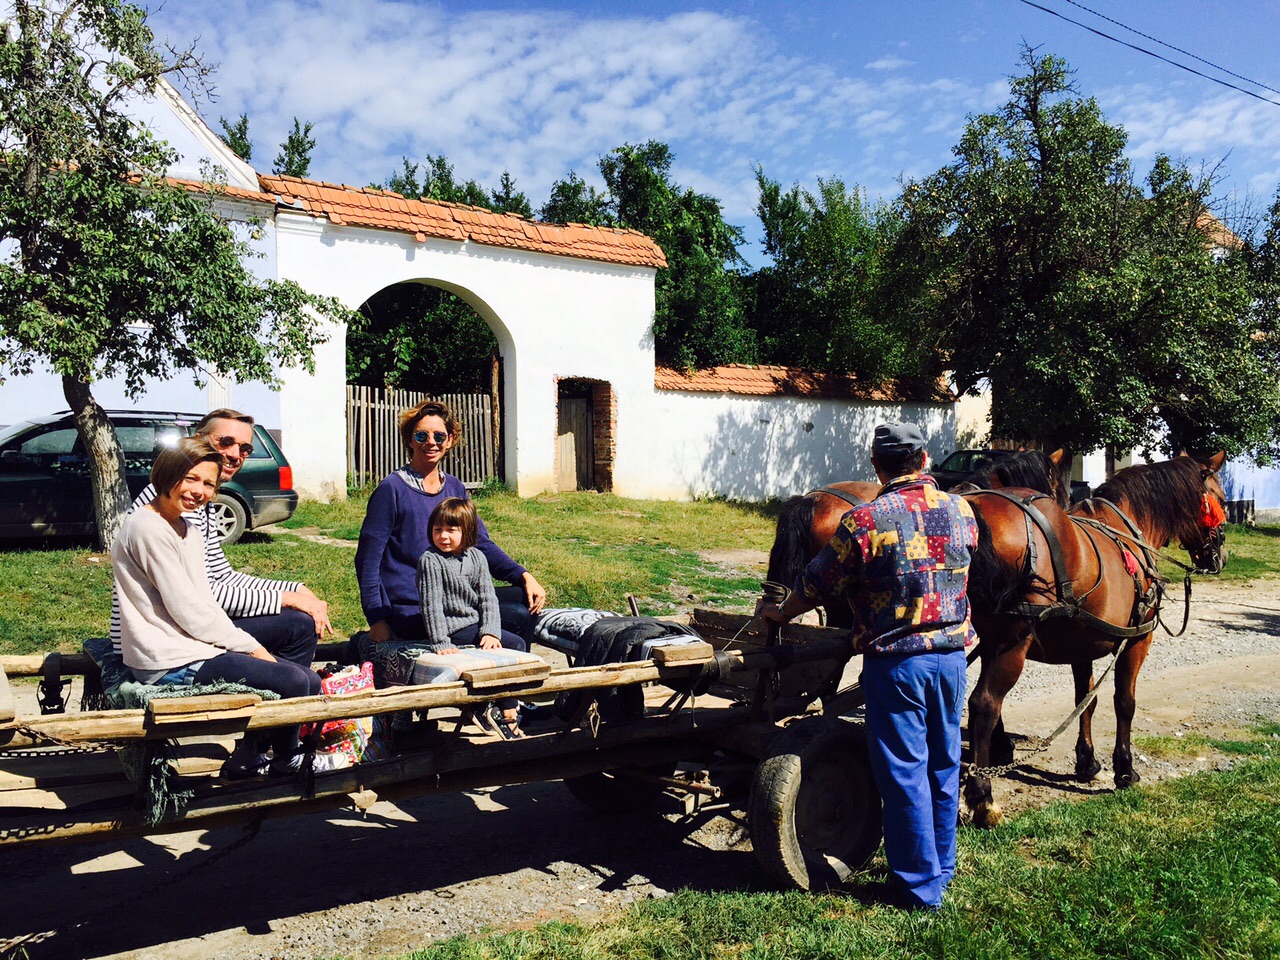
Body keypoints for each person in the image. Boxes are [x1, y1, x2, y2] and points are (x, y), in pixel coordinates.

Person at [758, 421, 979, 911]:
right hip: (950, 660)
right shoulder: (962, 511)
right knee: (943, 764)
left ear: (876, 467)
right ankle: (941, 867)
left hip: (897, 664)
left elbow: (814, 586)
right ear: (924, 460)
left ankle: (920, 890)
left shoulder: (864, 522)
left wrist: (778, 611)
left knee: (903, 772)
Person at [111, 438, 347, 778]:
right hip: (166, 658)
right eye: (190, 478)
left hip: (192, 645)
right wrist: (252, 648)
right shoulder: (147, 527)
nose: (199, 491)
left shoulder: (185, 527)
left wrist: (244, 639)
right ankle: (284, 760)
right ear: (166, 474)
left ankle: (269, 758)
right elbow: (188, 610)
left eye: (209, 484)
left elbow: (205, 597)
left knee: (308, 678)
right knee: (294, 680)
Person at [110, 408, 332, 676]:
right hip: (165, 637)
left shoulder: (202, 502)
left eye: (245, 448)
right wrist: (285, 599)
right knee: (298, 626)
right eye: (225, 442)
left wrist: (295, 588)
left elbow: (220, 575)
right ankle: (272, 695)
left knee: (297, 630)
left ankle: (271, 690)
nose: (235, 454)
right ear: (198, 439)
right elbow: (201, 595)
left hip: (187, 626)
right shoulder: (175, 503)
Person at [355, 399, 547, 646]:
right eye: (422, 435)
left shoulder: (454, 487)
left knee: (524, 600)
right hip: (414, 608)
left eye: (439, 435)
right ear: (410, 440)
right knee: (514, 628)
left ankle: (507, 676)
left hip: (456, 600)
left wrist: (523, 575)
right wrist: (377, 619)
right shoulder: (391, 489)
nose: (431, 442)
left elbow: (480, 543)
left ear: (450, 440)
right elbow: (367, 560)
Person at [417, 497, 528, 738]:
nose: (443, 537)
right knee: (503, 648)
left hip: (474, 624)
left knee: (515, 645)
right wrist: (440, 642)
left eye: (451, 530)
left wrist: (490, 631)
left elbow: (488, 598)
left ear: (466, 531)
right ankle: (491, 708)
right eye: (438, 530)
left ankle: (508, 709)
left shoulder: (477, 557)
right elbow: (431, 604)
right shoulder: (431, 560)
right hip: (452, 627)